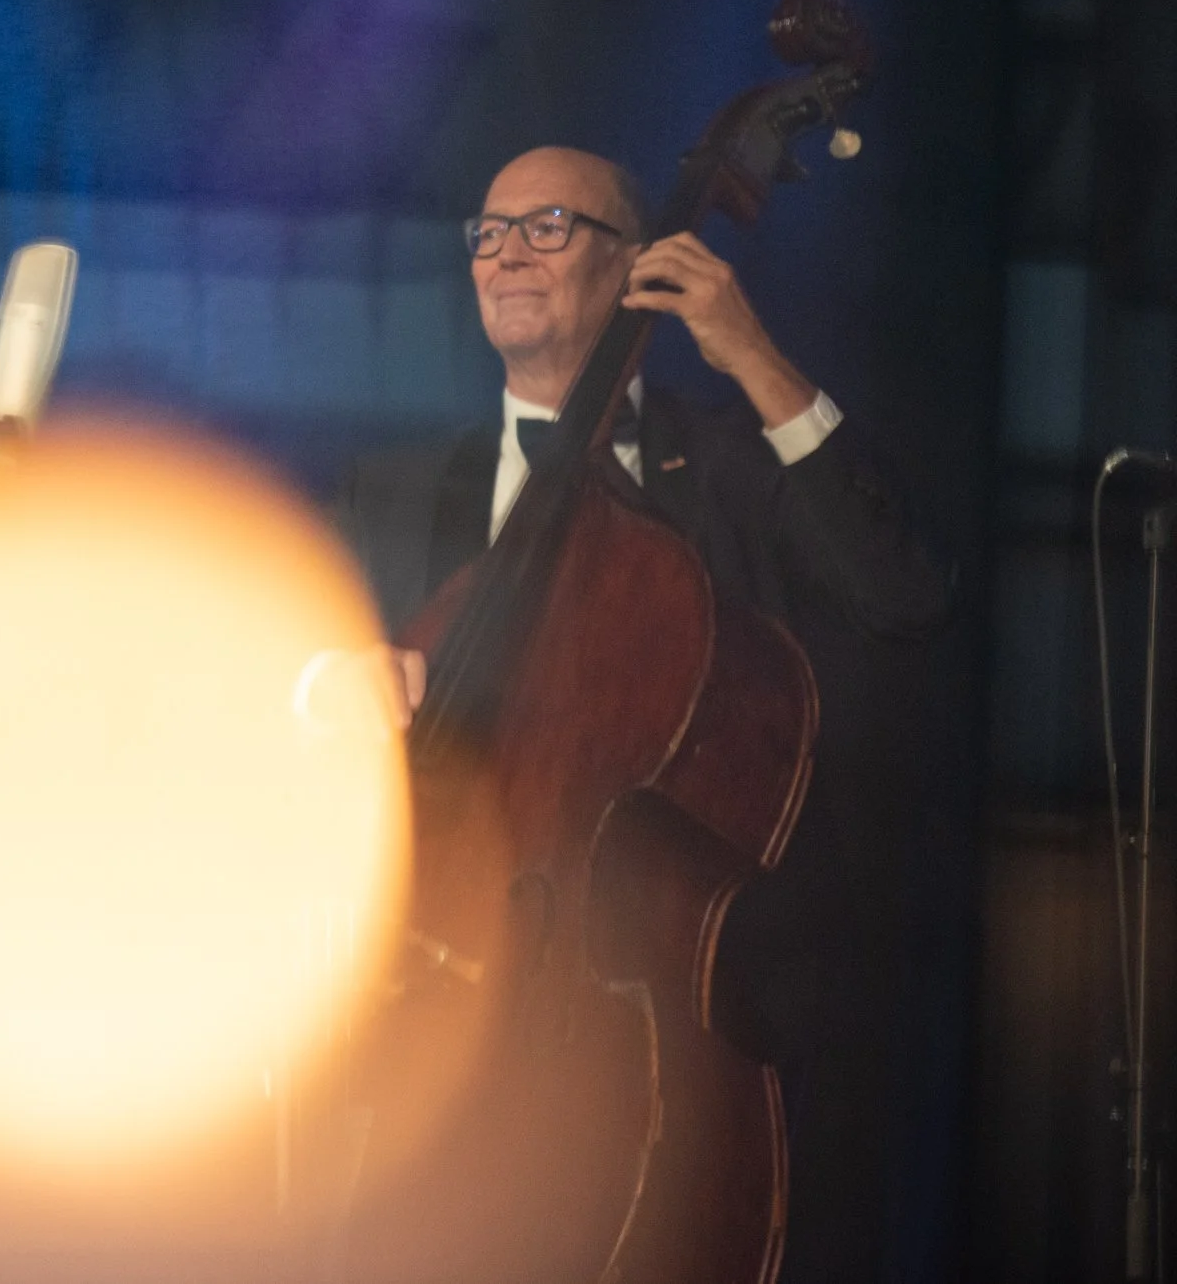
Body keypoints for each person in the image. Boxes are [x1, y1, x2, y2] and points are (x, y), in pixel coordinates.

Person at [333, 144, 954, 1282]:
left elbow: (901, 592)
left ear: (639, 268)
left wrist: (753, 357)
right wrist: (333, 687)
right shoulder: (395, 488)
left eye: (550, 225)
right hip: (428, 1010)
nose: (506, 252)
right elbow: (302, 682)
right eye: (487, 230)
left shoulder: (721, 470)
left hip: (643, 1030)